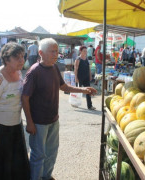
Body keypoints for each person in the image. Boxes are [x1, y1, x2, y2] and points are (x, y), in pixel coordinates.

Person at [22, 38, 97, 180]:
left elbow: (64, 87)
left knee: (51, 153)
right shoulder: (34, 72)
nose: (56, 54)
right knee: (38, 156)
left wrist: (83, 90)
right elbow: (24, 97)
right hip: (38, 123)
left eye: (57, 51)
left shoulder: (54, 67)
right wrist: (29, 122)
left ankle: (46, 176)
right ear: (40, 53)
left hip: (53, 120)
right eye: (52, 51)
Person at [0, 42, 30, 180]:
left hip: (15, 125)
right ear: (6, 59)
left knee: (16, 163)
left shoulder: (18, 73)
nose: (22, 60)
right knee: (2, 164)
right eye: (17, 58)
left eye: (23, 57)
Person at [74, 45, 96, 110]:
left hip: (86, 78)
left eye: (86, 51)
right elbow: (75, 69)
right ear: (80, 51)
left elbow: (88, 68)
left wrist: (90, 76)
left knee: (88, 91)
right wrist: (76, 78)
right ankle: (75, 103)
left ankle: (90, 106)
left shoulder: (86, 59)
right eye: (84, 51)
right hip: (79, 77)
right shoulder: (78, 59)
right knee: (77, 91)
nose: (85, 52)